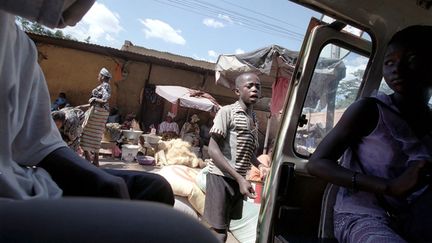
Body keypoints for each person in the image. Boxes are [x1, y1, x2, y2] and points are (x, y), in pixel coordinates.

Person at [0, 2, 217, 242]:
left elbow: (42, 143)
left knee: (155, 187)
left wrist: (94, 177)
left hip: (27, 182)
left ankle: (93, 165)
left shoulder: (19, 46)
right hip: (9, 193)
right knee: (186, 233)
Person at [307, 25, 432, 243]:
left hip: (417, 219)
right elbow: (317, 163)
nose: (397, 69)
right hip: (363, 215)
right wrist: (389, 187)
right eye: (389, 62)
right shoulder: (369, 110)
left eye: (411, 59)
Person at [204, 72, 270, 242]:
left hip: (237, 179)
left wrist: (259, 165)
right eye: (249, 86)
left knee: (226, 226)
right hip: (221, 178)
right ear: (237, 91)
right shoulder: (227, 112)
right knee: (219, 231)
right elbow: (212, 149)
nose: (254, 89)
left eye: (258, 86)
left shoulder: (253, 118)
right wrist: (240, 179)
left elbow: (248, 152)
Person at [80, 67, 112, 166]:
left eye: (99, 75)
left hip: (98, 112)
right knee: (96, 135)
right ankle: (95, 160)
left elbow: (104, 100)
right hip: (100, 112)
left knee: (84, 132)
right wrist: (83, 106)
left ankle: (88, 159)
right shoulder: (104, 85)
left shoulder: (105, 85)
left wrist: (94, 99)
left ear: (102, 76)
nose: (98, 76)